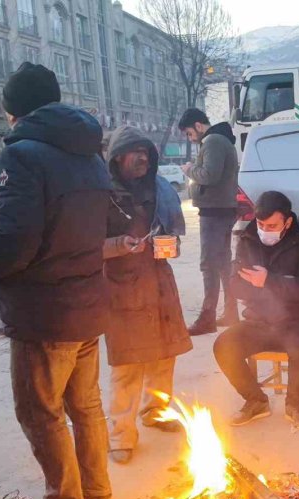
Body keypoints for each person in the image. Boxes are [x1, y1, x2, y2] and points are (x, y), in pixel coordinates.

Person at [0, 63, 113, 499]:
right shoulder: (89, 154)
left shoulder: (24, 155)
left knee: (41, 412)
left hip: (44, 314)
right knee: (86, 406)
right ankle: (97, 490)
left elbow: (11, 244)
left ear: (14, 111)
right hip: (88, 304)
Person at [103, 126, 193, 465]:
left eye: (146, 152)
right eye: (134, 152)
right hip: (122, 289)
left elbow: (173, 237)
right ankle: (121, 436)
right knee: (127, 365)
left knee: (162, 356)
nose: (141, 157)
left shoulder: (160, 191)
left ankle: (155, 412)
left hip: (158, 285)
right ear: (117, 158)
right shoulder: (102, 195)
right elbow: (84, 246)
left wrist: (169, 246)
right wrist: (117, 245)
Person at [213, 191, 299, 431]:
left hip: (297, 320)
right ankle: (256, 400)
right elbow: (235, 285)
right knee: (223, 345)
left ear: (288, 221)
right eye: (261, 224)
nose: (264, 230)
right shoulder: (248, 238)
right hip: (258, 321)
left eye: (271, 225)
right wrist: (270, 287)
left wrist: (268, 281)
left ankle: (295, 404)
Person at [178, 108, 240, 335]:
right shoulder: (221, 139)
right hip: (222, 209)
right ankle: (231, 312)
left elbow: (209, 175)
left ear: (197, 125)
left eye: (188, 133)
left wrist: (189, 169)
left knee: (209, 265)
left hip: (214, 212)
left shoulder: (212, 140)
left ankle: (207, 318)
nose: (190, 138)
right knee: (223, 263)